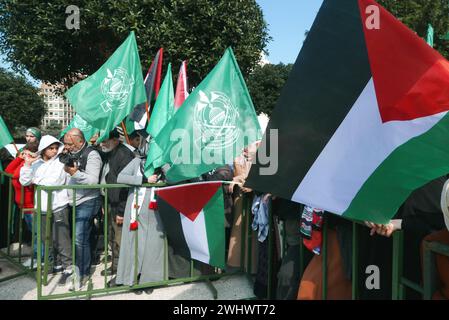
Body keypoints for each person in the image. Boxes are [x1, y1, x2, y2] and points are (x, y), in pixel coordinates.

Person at [19, 135, 72, 281]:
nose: (54, 151)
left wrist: (36, 180)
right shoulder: (35, 164)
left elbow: (55, 181)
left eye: (56, 148)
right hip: (41, 207)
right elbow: (24, 181)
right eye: (51, 148)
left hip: (58, 205)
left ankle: (68, 267)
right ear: (43, 149)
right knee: (46, 238)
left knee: (62, 238)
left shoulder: (61, 162)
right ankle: (54, 264)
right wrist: (28, 165)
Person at [115, 155, 164, 294]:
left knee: (153, 246)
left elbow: (172, 178)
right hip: (136, 208)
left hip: (157, 209)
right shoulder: (137, 161)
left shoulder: (164, 161)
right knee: (134, 244)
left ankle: (149, 280)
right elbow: (121, 177)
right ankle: (132, 278)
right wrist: (143, 180)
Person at [62, 128, 102, 287]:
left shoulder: (92, 154)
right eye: (65, 143)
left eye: (69, 143)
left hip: (87, 200)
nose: (67, 146)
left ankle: (83, 273)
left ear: (79, 141)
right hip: (74, 200)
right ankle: (81, 266)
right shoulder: (71, 153)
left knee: (79, 239)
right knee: (82, 237)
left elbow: (93, 181)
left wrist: (74, 173)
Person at [99, 129, 135, 281]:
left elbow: (125, 185)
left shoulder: (124, 155)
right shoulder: (110, 153)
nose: (103, 143)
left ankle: (122, 270)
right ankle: (116, 265)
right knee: (112, 236)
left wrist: (121, 211)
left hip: (119, 204)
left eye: (106, 140)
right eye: (102, 140)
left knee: (120, 238)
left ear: (116, 140)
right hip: (110, 202)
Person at [5, 141, 40, 267]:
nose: (25, 156)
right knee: (34, 233)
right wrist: (20, 158)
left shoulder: (33, 164)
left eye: (28, 154)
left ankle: (39, 259)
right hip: (23, 205)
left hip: (32, 205)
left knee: (37, 234)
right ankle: (37, 258)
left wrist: (26, 161)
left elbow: (15, 175)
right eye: (24, 153)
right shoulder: (23, 162)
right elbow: (8, 171)